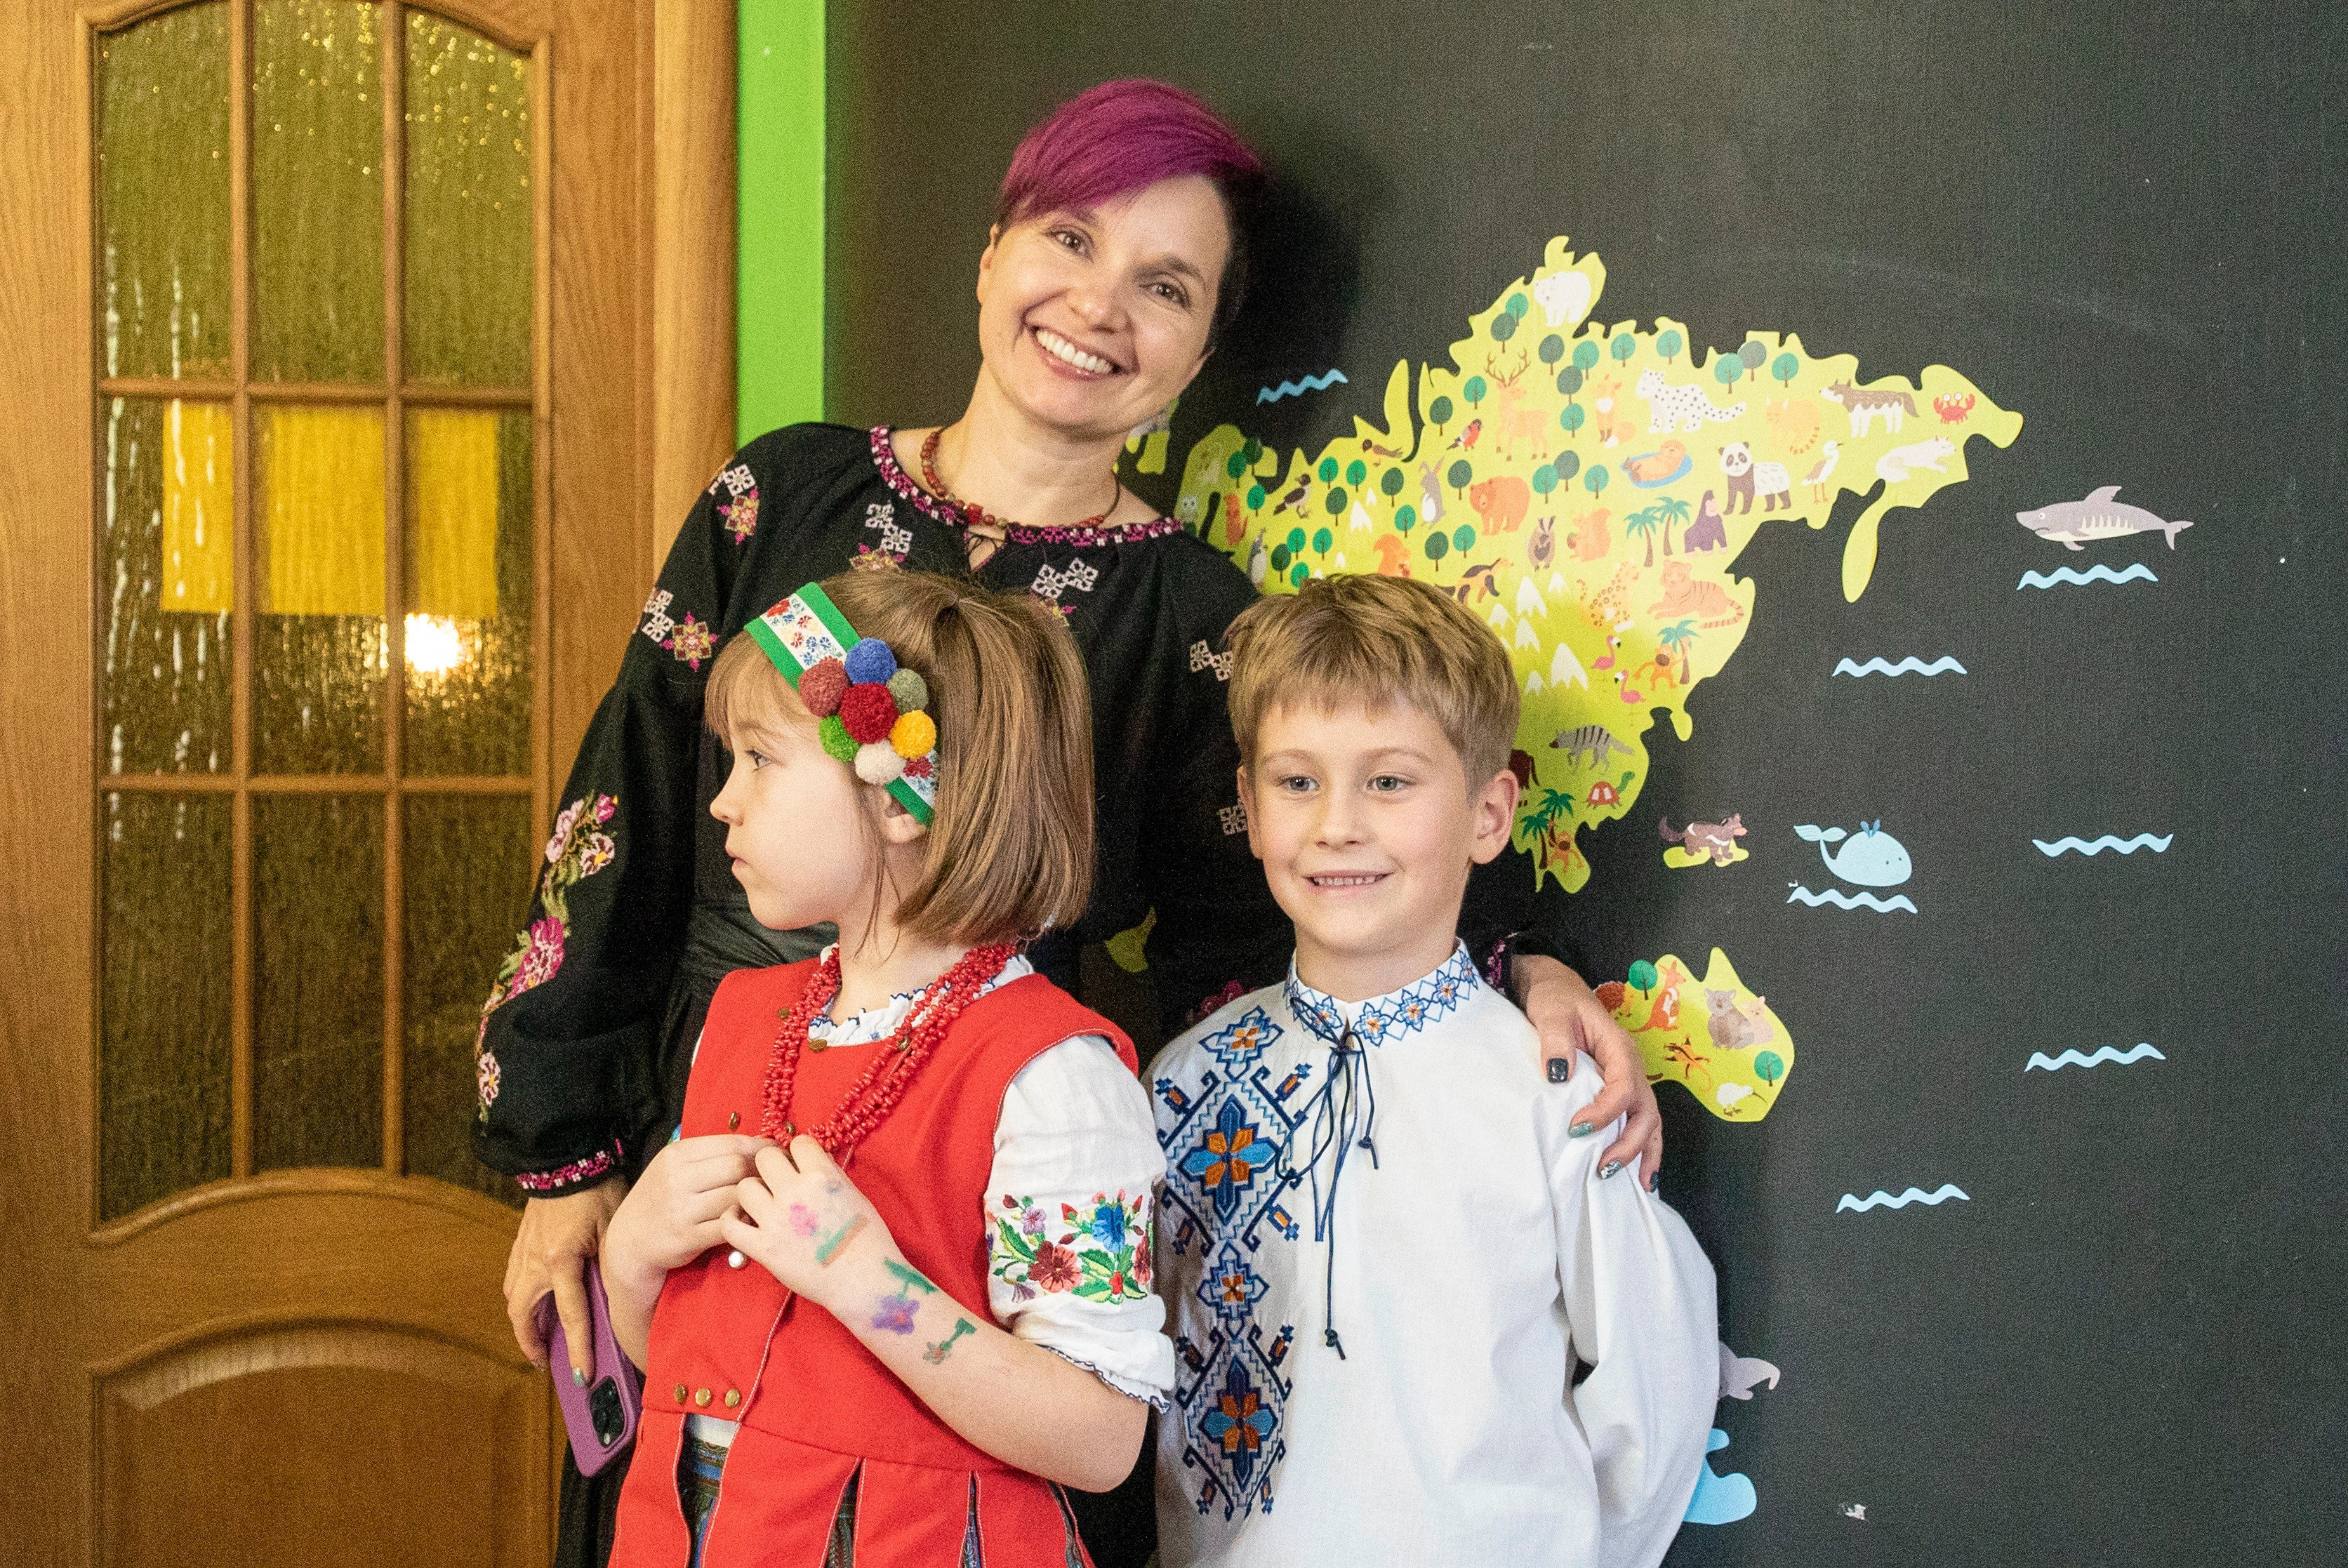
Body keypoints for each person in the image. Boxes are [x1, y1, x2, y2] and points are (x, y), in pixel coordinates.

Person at [474, 79, 1662, 1566]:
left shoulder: (1194, 623)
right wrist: (569, 1161)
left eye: (1165, 287)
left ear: (1202, 351)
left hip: (972, 1179)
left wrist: (1516, 967)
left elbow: (1274, 921)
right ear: (991, 254)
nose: (1100, 305)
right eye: (1071, 238)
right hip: (708, 1113)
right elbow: (627, 804)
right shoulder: (782, 493)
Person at [599, 571, 1171, 1567]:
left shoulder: (1054, 1077)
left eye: (760, 759)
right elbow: (699, 1372)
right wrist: (632, 1258)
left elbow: (1100, 1436)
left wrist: (868, 1280)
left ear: (901, 798)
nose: (723, 802)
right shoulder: (739, 1020)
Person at [1150, 575, 1718, 1568]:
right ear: (1249, 807)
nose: (1337, 823)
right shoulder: (1183, 1083)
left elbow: (1653, 1385)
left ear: (1489, 814)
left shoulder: (1554, 1089)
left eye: (1389, 782)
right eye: (1297, 782)